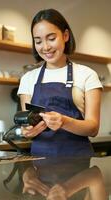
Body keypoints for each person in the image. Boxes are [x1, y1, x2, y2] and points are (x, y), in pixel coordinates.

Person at [17, 8, 102, 157]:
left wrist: (64, 121)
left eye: (51, 38)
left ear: (65, 35)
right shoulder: (28, 79)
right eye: (38, 41)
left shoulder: (87, 75)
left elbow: (93, 128)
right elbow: (27, 124)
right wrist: (27, 131)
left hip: (78, 166)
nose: (45, 47)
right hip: (39, 163)